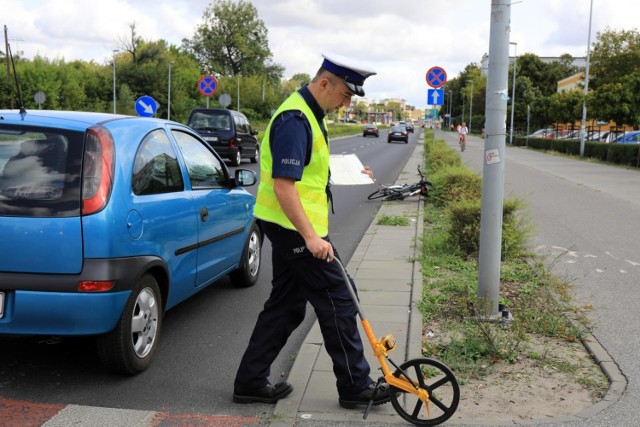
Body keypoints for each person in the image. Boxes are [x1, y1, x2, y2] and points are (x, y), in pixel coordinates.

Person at [232, 52, 390, 410]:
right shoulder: (295, 118)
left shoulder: (308, 113)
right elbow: (285, 186)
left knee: (287, 306)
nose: (346, 103)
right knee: (339, 300)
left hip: (292, 227)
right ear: (324, 83)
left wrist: (347, 168)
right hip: (295, 230)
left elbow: (307, 168)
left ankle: (250, 381)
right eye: (345, 95)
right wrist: (311, 238)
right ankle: (355, 386)